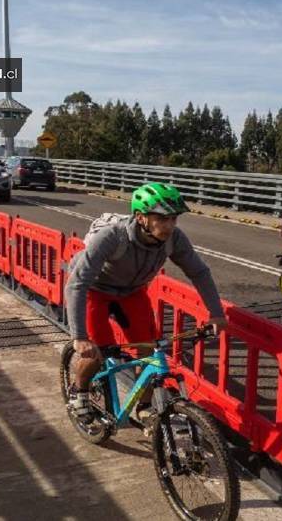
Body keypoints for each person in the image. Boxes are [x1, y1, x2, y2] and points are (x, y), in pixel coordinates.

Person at [64, 182, 228, 425]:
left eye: (173, 219)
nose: (170, 225)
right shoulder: (112, 237)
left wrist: (216, 313)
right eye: (162, 219)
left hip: (131, 291)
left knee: (149, 351)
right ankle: (80, 392)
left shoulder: (174, 239)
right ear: (141, 218)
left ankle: (144, 406)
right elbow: (77, 284)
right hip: (94, 290)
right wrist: (79, 336)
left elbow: (199, 273)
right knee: (96, 351)